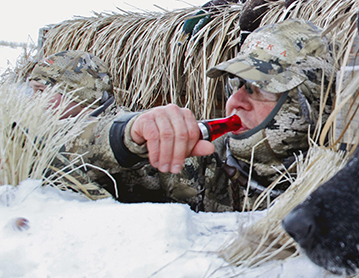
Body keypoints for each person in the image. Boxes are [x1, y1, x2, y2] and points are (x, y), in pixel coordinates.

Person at [70, 19, 335, 211]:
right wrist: (125, 137)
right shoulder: (198, 161)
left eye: (257, 90)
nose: (234, 102)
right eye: (236, 85)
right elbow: (62, 163)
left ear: (308, 103)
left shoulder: (344, 186)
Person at [28, 50, 117, 118]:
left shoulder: (113, 126)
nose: (33, 99)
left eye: (41, 91)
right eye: (33, 90)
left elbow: (125, 128)